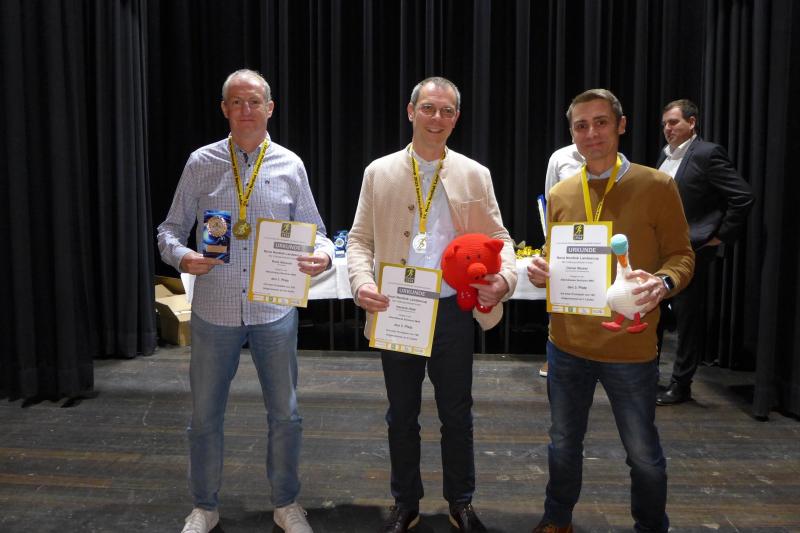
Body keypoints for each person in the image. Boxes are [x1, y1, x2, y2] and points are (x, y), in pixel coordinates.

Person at [157, 69, 333, 533]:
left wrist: (322, 257)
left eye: (254, 101)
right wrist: (183, 256)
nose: (246, 110)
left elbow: (317, 233)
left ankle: (286, 503)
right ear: (224, 109)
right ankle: (204, 506)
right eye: (236, 102)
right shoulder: (201, 162)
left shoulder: (290, 165)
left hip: (274, 311)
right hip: (214, 312)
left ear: (270, 108)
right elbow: (168, 230)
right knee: (204, 417)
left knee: (286, 415)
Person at [347, 76, 518, 533]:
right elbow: (359, 240)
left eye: (446, 111)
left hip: (453, 310)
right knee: (401, 415)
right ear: (411, 111)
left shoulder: (475, 173)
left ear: (456, 118)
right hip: (397, 307)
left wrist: (504, 278)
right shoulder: (379, 171)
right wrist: (361, 282)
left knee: (456, 414)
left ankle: (461, 502)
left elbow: (501, 238)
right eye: (428, 108)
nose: (436, 118)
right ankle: (406, 503)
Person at [526, 89, 695, 533]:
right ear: (572, 134)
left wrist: (663, 283)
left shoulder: (656, 185)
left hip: (630, 347)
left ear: (621, 125)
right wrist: (542, 268)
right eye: (580, 126)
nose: (591, 133)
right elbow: (555, 253)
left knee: (642, 454)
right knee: (563, 444)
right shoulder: (561, 192)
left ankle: (651, 526)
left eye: (601, 122)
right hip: (567, 345)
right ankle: (557, 519)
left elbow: (682, 255)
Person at [655, 99, 754, 405]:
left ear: (692, 122)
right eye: (665, 124)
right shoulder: (665, 156)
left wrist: (719, 236)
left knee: (687, 320)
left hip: (692, 250)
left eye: (674, 122)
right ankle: (646, 374)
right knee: (653, 312)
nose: (668, 128)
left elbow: (742, 195)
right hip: (660, 249)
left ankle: (681, 384)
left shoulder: (707, 153)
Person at [539, 144, 585, 378]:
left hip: (600, 239)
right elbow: (551, 200)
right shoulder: (560, 157)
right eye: (580, 126)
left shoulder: (617, 159)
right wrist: (550, 242)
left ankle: (596, 359)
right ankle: (555, 357)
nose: (590, 133)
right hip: (566, 241)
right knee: (560, 302)